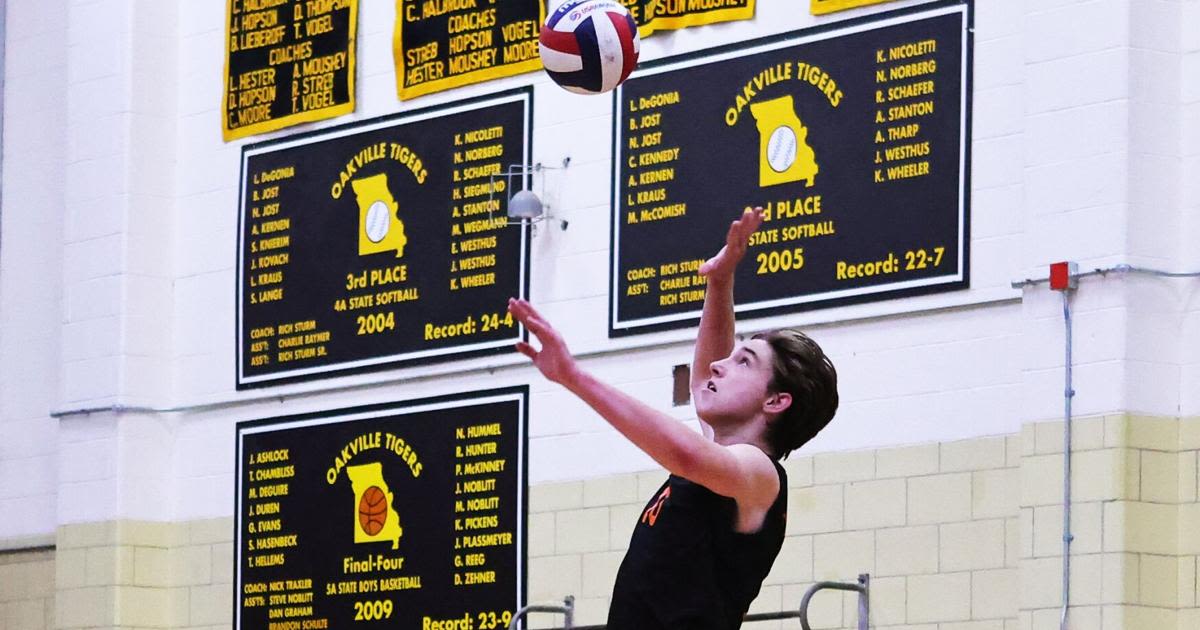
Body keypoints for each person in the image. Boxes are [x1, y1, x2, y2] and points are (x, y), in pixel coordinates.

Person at [507, 207, 839, 629]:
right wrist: (719, 282)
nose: (719, 366)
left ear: (775, 402)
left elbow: (685, 454)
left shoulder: (759, 475)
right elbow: (704, 379)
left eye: (744, 362)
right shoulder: (721, 466)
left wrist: (575, 377)